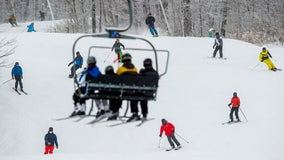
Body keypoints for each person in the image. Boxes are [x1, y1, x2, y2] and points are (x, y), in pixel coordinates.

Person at [116, 53, 140, 122]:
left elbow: (116, 79)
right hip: (133, 92)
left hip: (123, 92)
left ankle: (116, 110)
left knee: (116, 94)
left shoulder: (121, 69)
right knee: (134, 97)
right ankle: (135, 112)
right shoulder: (135, 69)